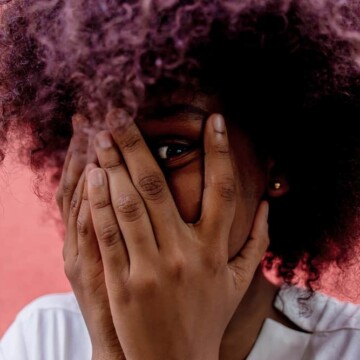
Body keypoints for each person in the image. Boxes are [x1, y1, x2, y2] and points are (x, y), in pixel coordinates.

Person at [1, 0, 360, 359]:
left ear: (277, 164)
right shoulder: (43, 337)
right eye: (102, 156)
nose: (126, 195)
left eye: (171, 151)